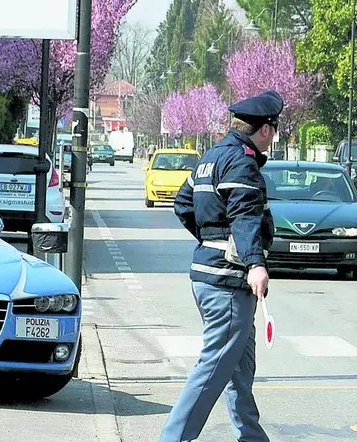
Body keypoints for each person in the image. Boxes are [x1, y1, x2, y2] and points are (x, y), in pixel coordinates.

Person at [160, 89, 283, 442]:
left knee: (239, 369)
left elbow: (183, 204)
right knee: (214, 367)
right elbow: (245, 218)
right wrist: (254, 262)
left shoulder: (210, 157)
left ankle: (252, 438)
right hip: (227, 282)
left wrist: (211, 238)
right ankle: (174, 438)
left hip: (211, 276)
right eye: (274, 129)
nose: (274, 137)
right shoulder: (242, 162)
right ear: (263, 129)